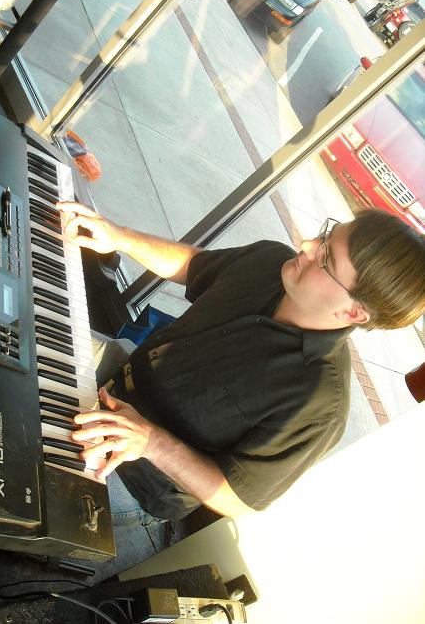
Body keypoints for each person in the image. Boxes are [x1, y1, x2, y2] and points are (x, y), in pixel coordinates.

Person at [57, 203, 425, 524]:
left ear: (353, 311)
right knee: (20, 329)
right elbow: (194, 265)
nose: (307, 246)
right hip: (117, 375)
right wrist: (119, 236)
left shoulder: (319, 405)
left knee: (22, 458)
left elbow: (239, 498)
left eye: (325, 259)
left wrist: (152, 442)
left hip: (137, 475)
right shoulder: (269, 260)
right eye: (325, 237)